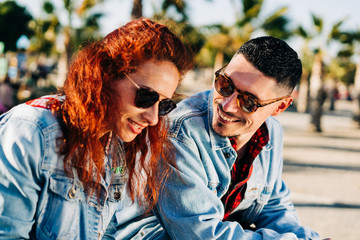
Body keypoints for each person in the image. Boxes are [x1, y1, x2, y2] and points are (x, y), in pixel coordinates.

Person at [0, 17, 193, 239]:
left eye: (165, 105)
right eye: (146, 96)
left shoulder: (116, 149)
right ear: (106, 75)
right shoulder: (30, 132)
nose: (153, 119)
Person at [150, 36, 324, 239]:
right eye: (225, 84)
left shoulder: (272, 132)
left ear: (280, 107)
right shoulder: (179, 132)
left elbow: (273, 207)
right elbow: (202, 234)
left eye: (249, 101)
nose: (227, 105)